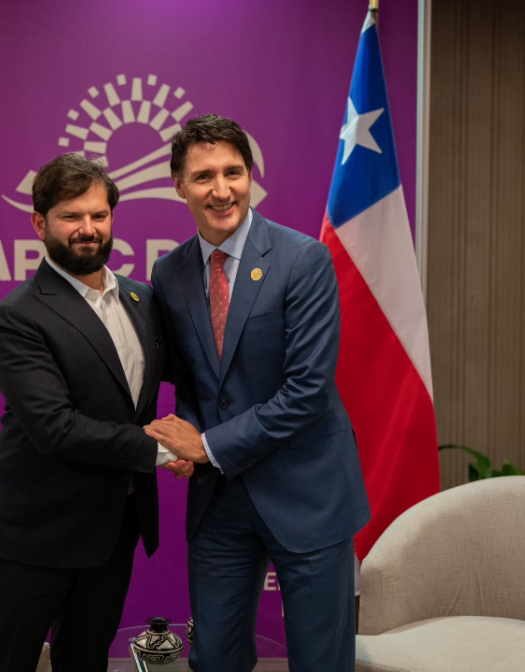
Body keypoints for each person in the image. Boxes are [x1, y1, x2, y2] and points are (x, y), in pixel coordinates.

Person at [147, 114, 371, 672]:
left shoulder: (304, 260)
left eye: (234, 172)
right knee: (214, 659)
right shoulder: (168, 272)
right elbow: (195, 379)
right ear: (179, 185)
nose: (221, 190)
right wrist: (190, 438)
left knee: (321, 662)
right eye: (203, 177)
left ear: (251, 176)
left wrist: (209, 445)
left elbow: (308, 390)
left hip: (308, 493)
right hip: (220, 503)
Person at [0, 153, 191, 672]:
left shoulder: (143, 299)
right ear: (40, 223)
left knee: (87, 661)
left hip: (114, 528)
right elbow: (56, 428)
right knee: (6, 664)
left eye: (99, 214)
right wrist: (166, 450)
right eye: (72, 216)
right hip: (35, 533)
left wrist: (203, 433)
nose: (88, 229)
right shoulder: (18, 315)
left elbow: (187, 380)